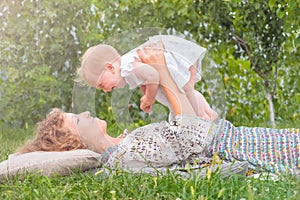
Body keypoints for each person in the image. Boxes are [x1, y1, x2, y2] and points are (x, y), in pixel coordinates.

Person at [18, 42, 299, 176]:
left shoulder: (126, 142)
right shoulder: (126, 155)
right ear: (74, 143)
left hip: (229, 136)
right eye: (78, 119)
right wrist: (163, 72)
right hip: (230, 144)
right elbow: (190, 138)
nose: (86, 112)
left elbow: (181, 132)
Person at [76, 35, 218, 121]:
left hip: (170, 62)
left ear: (110, 68)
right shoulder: (128, 68)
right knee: (185, 91)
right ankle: (208, 114)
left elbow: (152, 75)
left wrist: (149, 97)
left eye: (101, 85)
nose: (105, 90)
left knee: (186, 92)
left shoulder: (128, 67)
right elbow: (145, 79)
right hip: (168, 66)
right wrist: (146, 94)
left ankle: (202, 118)